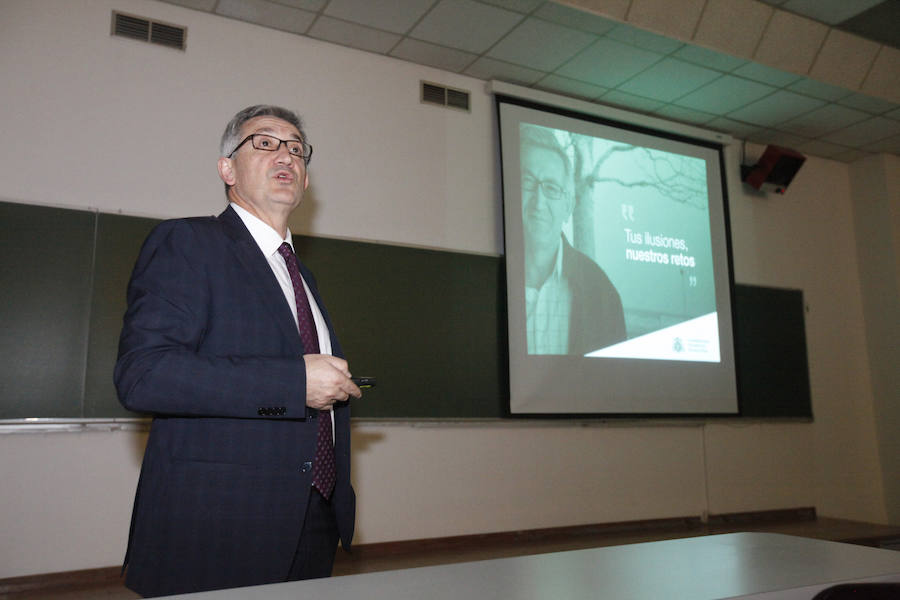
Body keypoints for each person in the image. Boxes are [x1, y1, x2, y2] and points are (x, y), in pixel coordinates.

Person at [114, 105, 362, 597]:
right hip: (220, 523)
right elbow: (144, 374)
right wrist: (294, 383)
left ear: (307, 180)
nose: (285, 154)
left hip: (313, 515)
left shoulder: (301, 275)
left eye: (296, 147)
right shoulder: (188, 242)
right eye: (264, 143)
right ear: (227, 168)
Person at [520, 124, 626, 355]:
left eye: (551, 188)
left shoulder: (601, 293)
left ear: (568, 206)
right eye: (527, 183)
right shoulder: (483, 280)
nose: (538, 202)